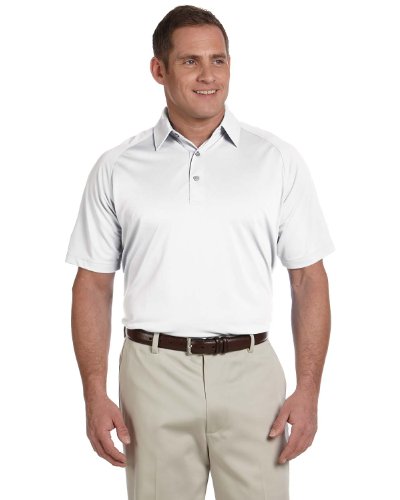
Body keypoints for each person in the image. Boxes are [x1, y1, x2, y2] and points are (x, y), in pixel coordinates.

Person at [65, 5, 335, 500]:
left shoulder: (276, 160)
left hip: (251, 374)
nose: (208, 75)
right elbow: (93, 285)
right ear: (159, 70)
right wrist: (94, 393)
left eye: (219, 60)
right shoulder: (118, 167)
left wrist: (309, 389)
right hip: (152, 375)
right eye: (190, 61)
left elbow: (308, 279)